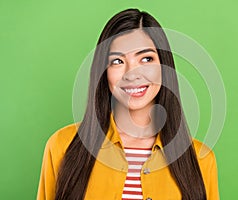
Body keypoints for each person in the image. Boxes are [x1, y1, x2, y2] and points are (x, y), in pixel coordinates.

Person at [37, 8, 219, 200]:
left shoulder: (201, 158)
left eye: (146, 59)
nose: (132, 74)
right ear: (103, 72)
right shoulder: (62, 146)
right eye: (117, 61)